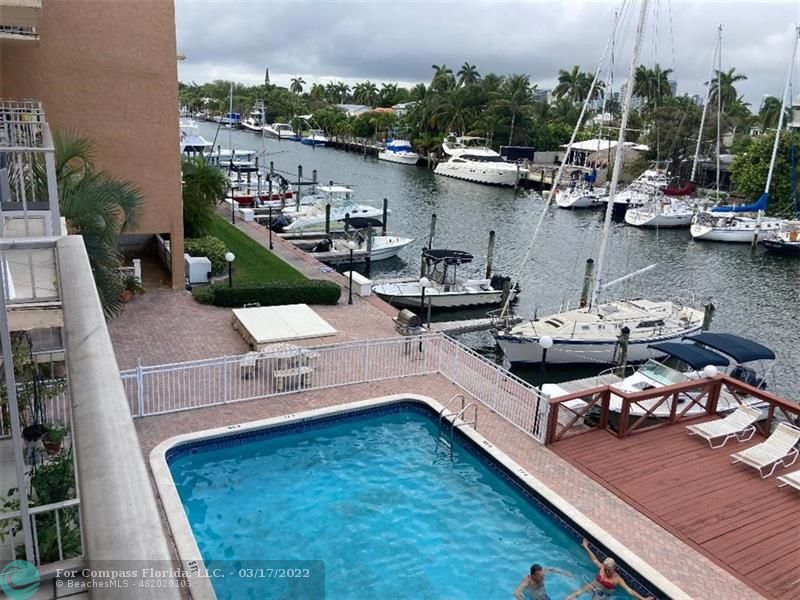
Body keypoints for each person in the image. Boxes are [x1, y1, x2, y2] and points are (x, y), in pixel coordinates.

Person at [566, 539, 654, 599]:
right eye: (605, 568)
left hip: (602, 593)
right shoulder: (602, 568)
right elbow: (594, 559)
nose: (606, 571)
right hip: (593, 585)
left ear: (613, 568)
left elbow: (629, 590)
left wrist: (643, 598)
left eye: (609, 569)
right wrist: (586, 547)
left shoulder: (617, 579)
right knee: (571, 597)